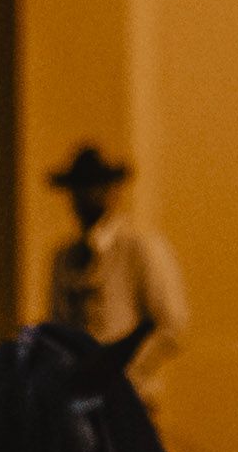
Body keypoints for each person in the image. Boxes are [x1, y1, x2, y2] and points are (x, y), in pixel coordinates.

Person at [44, 140, 192, 393]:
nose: (84, 196)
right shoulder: (64, 258)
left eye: (94, 186)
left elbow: (172, 324)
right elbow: (57, 328)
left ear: (112, 192)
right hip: (77, 397)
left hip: (128, 396)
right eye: (79, 188)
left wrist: (125, 371)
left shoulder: (140, 248)